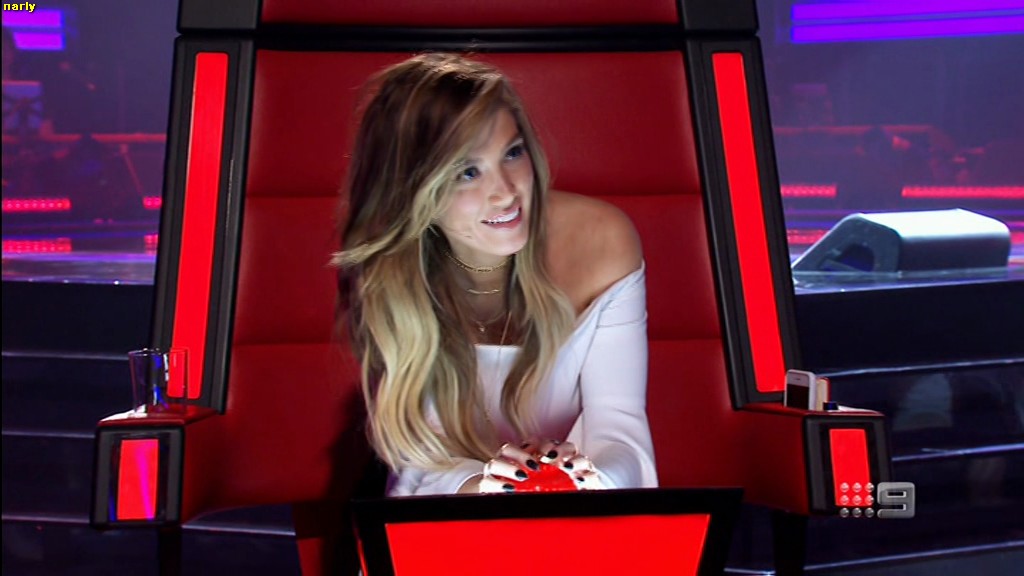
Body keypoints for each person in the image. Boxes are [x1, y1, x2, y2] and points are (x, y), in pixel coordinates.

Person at [333, 53, 657, 496]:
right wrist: (491, 487)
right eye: (467, 172)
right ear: (413, 190)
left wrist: (578, 483)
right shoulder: (390, 269)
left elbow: (620, 429)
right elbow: (419, 456)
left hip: (581, 509)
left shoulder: (601, 239)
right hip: (444, 509)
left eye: (512, 152)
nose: (505, 193)